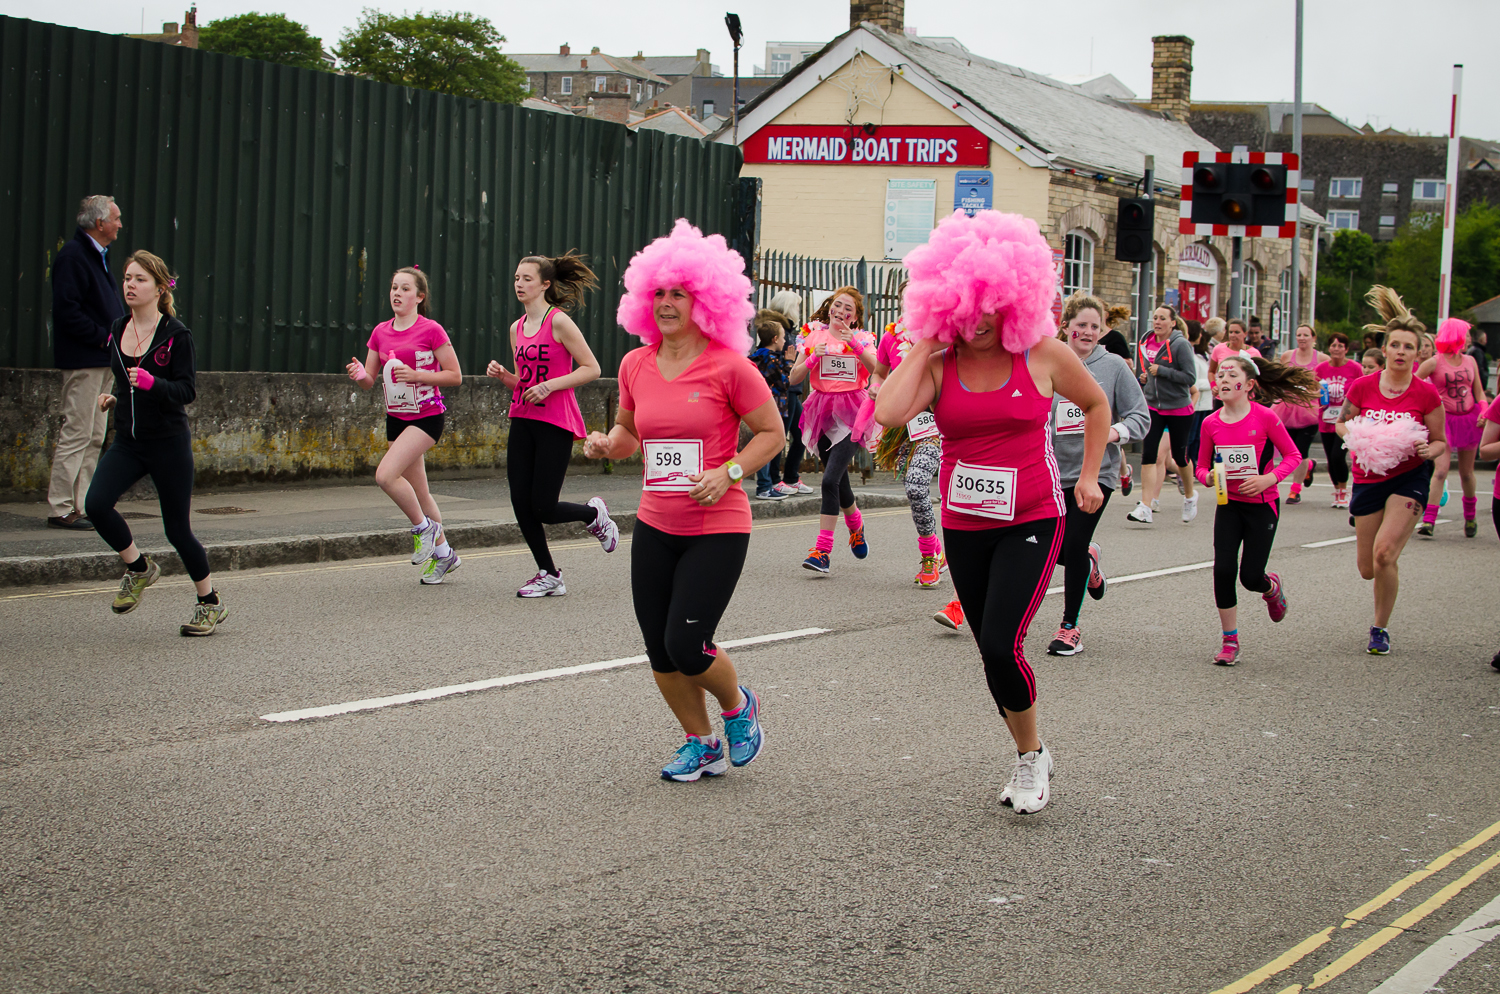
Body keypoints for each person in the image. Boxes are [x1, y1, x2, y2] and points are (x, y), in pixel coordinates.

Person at [875, 210, 1109, 815]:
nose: (976, 320)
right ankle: (1030, 746)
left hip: (1032, 515)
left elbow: (1096, 404)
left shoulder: (1043, 353)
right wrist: (924, 340)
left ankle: (1031, 759)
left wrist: (1088, 477)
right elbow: (889, 413)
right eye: (961, 306)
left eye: (988, 305)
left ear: (1011, 299)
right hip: (965, 521)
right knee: (988, 649)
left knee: (1004, 643)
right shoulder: (940, 361)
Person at [583, 219, 780, 782]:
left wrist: (730, 470)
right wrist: (606, 446)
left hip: (717, 523)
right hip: (655, 523)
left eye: (679, 293)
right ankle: (701, 742)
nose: (666, 304)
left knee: (687, 643)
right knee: (660, 652)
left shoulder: (729, 366)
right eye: (659, 294)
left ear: (706, 300)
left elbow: (772, 433)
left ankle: (739, 706)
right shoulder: (635, 364)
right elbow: (628, 435)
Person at [85, 251, 226, 635]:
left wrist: (152, 384)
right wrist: (115, 396)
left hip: (168, 443)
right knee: (95, 504)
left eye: (140, 279)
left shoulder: (176, 334)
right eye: (127, 278)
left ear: (159, 288)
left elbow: (186, 390)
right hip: (129, 441)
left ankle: (209, 601)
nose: (130, 285)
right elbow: (122, 378)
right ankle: (139, 567)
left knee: (177, 530)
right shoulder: (117, 328)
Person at [485, 254, 617, 595]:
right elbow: (525, 385)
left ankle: (594, 515)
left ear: (545, 284)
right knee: (520, 501)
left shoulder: (558, 322)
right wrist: (505, 377)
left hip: (555, 420)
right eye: (516, 278)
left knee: (543, 506)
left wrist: (552, 384)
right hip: (523, 418)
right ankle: (548, 574)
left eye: (527, 279)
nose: (519, 284)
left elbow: (591, 367)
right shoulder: (517, 329)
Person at [1336, 286, 1446, 656]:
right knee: (1367, 568)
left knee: (1385, 554)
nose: (1401, 352)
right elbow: (1340, 424)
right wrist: (1360, 437)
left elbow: (1440, 443)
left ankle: (1379, 627)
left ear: (1418, 353)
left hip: (1409, 476)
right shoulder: (1363, 386)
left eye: (1409, 347)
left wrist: (1425, 449)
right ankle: (1380, 605)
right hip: (1368, 477)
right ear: (1384, 349)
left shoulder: (1426, 394)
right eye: (1395, 345)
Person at [1043, 294, 1149, 656]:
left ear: (1102, 330)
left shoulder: (1114, 367)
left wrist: (1111, 433)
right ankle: (1089, 560)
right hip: (1054, 471)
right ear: (1067, 327)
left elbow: (1140, 416)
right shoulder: (1050, 360)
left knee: (1070, 547)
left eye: (1095, 326)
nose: (1087, 332)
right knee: (1050, 548)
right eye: (1081, 325)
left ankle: (1069, 627)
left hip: (1097, 472)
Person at [1194, 355, 1316, 665]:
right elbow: (1201, 467)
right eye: (1219, 374)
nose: (1222, 379)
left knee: (1250, 577)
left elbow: (1292, 455)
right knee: (1223, 569)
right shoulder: (1210, 423)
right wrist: (1207, 477)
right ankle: (1229, 640)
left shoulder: (1265, 418)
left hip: (1262, 506)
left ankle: (1271, 587)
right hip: (1229, 504)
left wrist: (1268, 479)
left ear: (1249, 385)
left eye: (1230, 374)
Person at [346, 267, 465, 584]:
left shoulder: (431, 330)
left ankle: (424, 529)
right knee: (421, 494)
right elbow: (371, 380)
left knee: (385, 476)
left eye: (405, 289)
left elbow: (455, 375)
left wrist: (419, 376)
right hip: (396, 418)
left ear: (419, 296)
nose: (397, 293)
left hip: (427, 417)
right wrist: (361, 376)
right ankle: (444, 555)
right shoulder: (380, 332)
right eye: (394, 288)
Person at [48, 195, 126, 531]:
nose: (120, 224)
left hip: (100, 359)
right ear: (100, 224)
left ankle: (83, 504)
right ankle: (61, 507)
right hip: (85, 359)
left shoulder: (97, 256)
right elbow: (68, 311)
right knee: (78, 431)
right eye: (116, 218)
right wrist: (105, 337)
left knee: (95, 434)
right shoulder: (74, 256)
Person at [788, 287, 879, 574]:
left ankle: (822, 551)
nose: (841, 311)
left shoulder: (863, 338)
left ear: (855, 316)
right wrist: (814, 356)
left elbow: (878, 370)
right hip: (822, 412)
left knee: (829, 481)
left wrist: (857, 346)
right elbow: (794, 377)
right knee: (839, 482)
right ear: (830, 308)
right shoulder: (813, 335)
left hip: (853, 412)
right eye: (837, 305)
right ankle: (856, 525)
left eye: (848, 308)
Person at [871, 307, 946, 586]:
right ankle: (934, 550)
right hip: (908, 428)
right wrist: (876, 386)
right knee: (915, 489)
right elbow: (878, 373)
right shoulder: (891, 338)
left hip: (942, 426)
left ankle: (934, 557)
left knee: (922, 485)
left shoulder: (947, 336)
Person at [1416, 318, 1488, 538]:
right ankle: (1429, 521)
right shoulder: (1434, 362)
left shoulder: (1470, 361)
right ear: (1454, 336)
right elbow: (1413, 385)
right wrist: (1427, 402)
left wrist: (1484, 410)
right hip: (1443, 421)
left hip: (1468, 419)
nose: (1468, 340)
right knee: (1440, 470)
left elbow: (1479, 391)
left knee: (1467, 473)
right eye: (1465, 335)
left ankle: (1470, 517)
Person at [1126, 305, 1198, 524]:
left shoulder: (1180, 345)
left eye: (1162, 318)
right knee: (1149, 455)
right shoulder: (1146, 342)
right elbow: (1150, 372)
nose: (1157, 322)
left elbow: (1190, 378)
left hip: (1178, 408)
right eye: (1155, 317)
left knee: (1179, 456)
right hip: (1153, 406)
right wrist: (1147, 379)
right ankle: (1145, 506)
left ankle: (1189, 496)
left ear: (1172, 322)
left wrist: (1163, 372)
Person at [765, 290, 812, 498]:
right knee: (780, 435)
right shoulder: (779, 329)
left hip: (792, 389)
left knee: (802, 432)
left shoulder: (789, 329)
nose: (799, 310)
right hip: (783, 390)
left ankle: (791, 477)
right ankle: (775, 480)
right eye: (797, 306)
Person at [1275, 324, 1328, 505]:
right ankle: (1309, 466)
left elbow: (1325, 384)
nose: (1302, 338)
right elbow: (1281, 380)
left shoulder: (1321, 359)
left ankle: (1294, 491)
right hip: (1287, 407)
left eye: (1306, 335)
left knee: (1300, 451)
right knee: (1288, 451)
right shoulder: (1287, 356)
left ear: (1313, 338)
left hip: (1309, 409)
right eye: (1299, 335)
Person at [750, 310, 793, 500]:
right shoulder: (772, 359)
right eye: (783, 338)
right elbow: (784, 383)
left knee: (762, 444)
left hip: (758, 405)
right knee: (767, 447)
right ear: (775, 339)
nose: (785, 342)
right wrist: (790, 363)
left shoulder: (756, 356)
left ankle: (765, 485)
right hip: (773, 406)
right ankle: (764, 487)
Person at [1315, 332, 1360, 509]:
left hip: (1346, 419)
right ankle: (1337, 490)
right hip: (1326, 418)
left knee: (1337, 455)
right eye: (1333, 345)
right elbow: (1314, 389)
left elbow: (1360, 390)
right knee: (1330, 457)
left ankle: (1343, 489)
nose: (1336, 348)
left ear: (1346, 349)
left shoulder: (1355, 369)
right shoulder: (1321, 369)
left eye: (1340, 346)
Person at [1184, 320, 1215, 490]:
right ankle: (1189, 466)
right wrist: (1212, 382)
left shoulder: (1202, 355)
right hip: (1196, 403)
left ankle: (1196, 467)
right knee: (1191, 438)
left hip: (1205, 403)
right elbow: (1192, 381)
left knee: (1198, 438)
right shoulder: (1191, 356)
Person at [1466, 328, 1490, 394]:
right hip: (1476, 386)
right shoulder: (1478, 352)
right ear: (1482, 340)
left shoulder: (1471, 350)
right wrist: (1483, 385)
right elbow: (1480, 369)